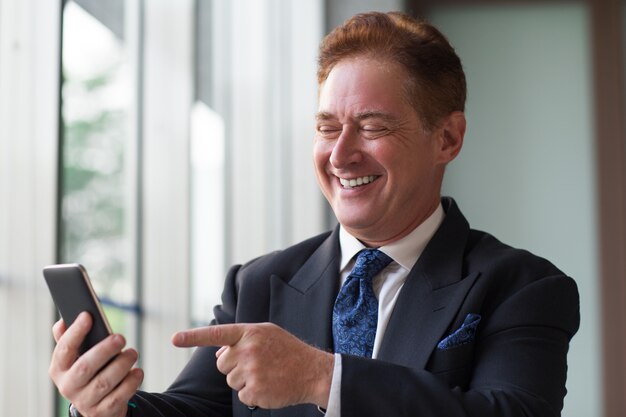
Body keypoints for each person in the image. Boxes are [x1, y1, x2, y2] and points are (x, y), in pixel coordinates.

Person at [49, 11, 580, 417]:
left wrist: (325, 379)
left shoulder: (523, 287)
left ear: (447, 138)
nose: (340, 154)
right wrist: (111, 405)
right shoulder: (258, 285)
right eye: (327, 127)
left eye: (371, 127)